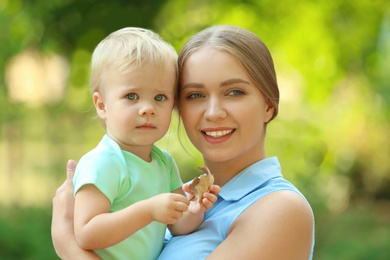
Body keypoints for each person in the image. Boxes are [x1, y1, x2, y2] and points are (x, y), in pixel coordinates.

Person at [52, 24, 315, 259]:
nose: (213, 112)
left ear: (269, 105)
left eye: (234, 92)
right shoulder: (181, 196)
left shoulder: (280, 209)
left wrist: (69, 247)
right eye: (195, 95)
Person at [64, 27, 220, 260]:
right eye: (132, 96)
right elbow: (87, 233)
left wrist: (194, 210)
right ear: (102, 105)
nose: (147, 109)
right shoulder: (103, 162)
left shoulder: (163, 162)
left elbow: (177, 225)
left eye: (160, 98)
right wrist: (148, 211)